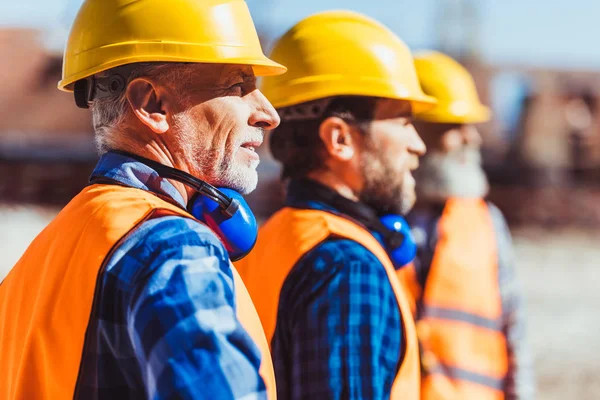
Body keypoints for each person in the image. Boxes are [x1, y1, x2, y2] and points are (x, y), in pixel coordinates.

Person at [0, 0, 286, 398]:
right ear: (153, 105)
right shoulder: (172, 246)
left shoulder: (37, 261)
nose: (268, 113)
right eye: (238, 85)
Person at [235, 11, 437, 400]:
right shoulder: (347, 267)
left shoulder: (273, 237)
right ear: (339, 138)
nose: (418, 145)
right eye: (402, 122)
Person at [397, 51, 535, 400]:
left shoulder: (488, 222)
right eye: (452, 127)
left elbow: (514, 332)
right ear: (412, 129)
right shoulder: (369, 220)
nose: (471, 139)